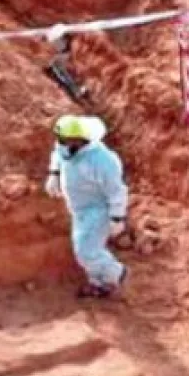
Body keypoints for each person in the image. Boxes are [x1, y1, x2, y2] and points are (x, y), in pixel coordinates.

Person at [45, 115, 129, 298]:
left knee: (86, 251)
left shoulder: (103, 161)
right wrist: (54, 173)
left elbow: (117, 191)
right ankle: (99, 284)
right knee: (85, 248)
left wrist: (117, 217)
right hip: (79, 210)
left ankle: (115, 273)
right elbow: (57, 153)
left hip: (97, 211)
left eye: (64, 140)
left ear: (77, 139)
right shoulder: (67, 148)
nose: (60, 144)